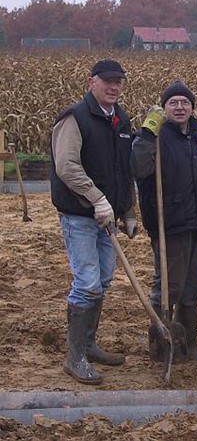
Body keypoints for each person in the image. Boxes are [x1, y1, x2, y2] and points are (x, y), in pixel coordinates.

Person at [51, 59, 138, 385]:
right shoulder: (75, 119)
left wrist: (127, 210)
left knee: (101, 280)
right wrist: (97, 199)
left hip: (107, 217)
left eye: (119, 82)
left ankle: (88, 345)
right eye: (107, 81)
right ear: (92, 82)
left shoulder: (120, 120)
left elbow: (123, 169)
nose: (114, 87)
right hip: (80, 214)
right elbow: (67, 167)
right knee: (87, 282)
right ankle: (74, 358)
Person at [130, 80, 197, 362]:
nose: (180, 107)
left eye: (185, 102)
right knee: (169, 286)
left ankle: (189, 346)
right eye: (173, 102)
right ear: (164, 108)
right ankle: (162, 347)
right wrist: (148, 132)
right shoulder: (154, 136)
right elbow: (138, 167)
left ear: (193, 107)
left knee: (193, 286)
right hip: (169, 223)